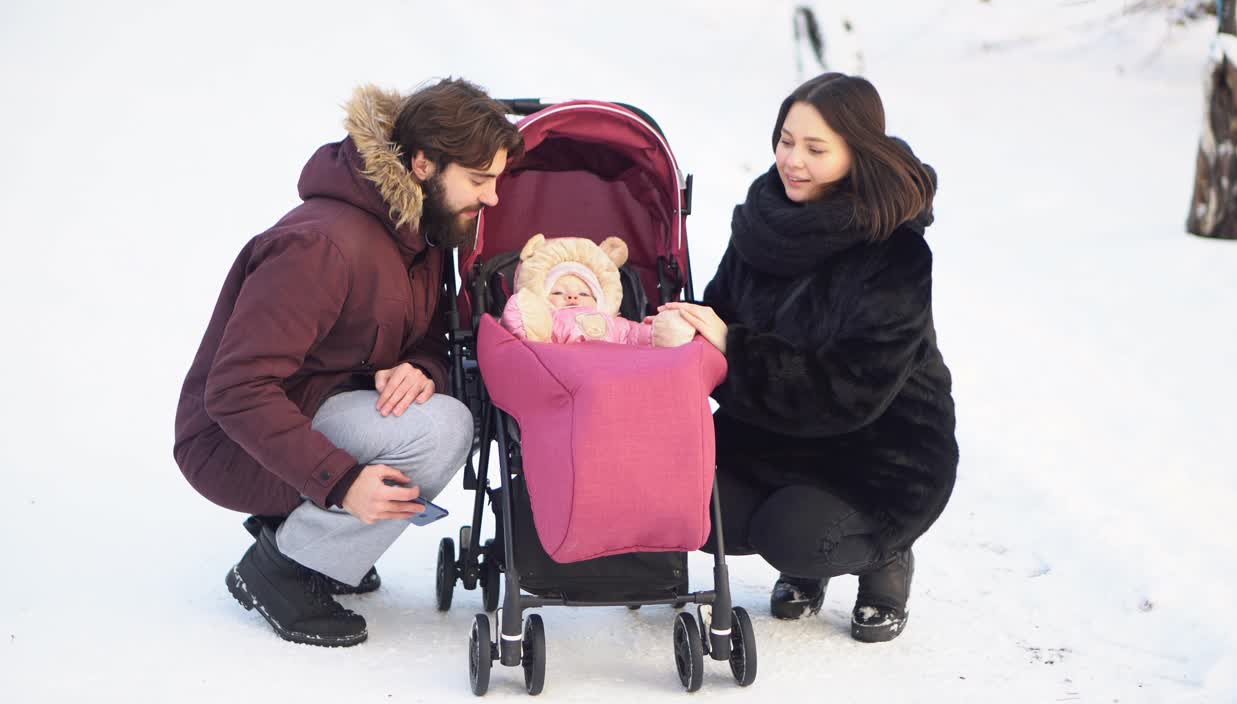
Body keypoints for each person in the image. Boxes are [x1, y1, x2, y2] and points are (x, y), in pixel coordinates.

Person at [173, 78, 523, 647]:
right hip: (228, 442)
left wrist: (421, 368)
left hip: (314, 405)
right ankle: (281, 570)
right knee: (442, 429)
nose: (492, 199)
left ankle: (303, 537)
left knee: (444, 403)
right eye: (479, 181)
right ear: (423, 163)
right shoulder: (321, 245)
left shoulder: (422, 234)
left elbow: (433, 338)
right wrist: (340, 485)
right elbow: (237, 390)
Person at [661, 73, 958, 643]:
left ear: (857, 153)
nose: (793, 161)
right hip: (771, 436)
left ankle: (884, 559)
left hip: (877, 455)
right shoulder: (763, 224)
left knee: (793, 535)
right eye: (785, 141)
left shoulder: (893, 251)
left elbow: (848, 392)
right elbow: (722, 314)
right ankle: (806, 544)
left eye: (815, 149)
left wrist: (733, 346)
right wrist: (684, 325)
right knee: (684, 500)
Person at [500, 234, 695, 346]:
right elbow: (532, 342)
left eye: (585, 294)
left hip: (614, 375)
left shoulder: (614, 323)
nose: (573, 296)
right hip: (561, 373)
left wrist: (659, 332)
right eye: (557, 292)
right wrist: (529, 319)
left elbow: (634, 335)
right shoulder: (549, 322)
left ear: (600, 299)